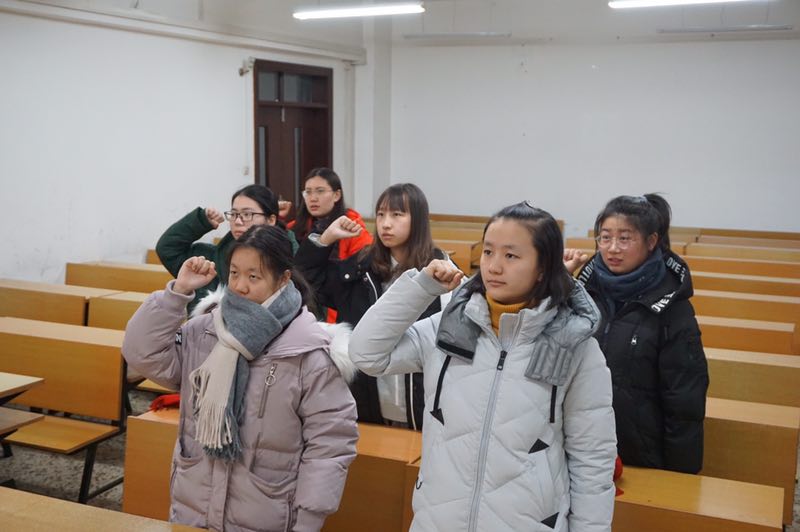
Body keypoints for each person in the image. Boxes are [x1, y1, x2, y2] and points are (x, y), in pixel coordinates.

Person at [349, 202, 617, 531]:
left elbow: (592, 460)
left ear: (543, 267)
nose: (494, 266)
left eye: (511, 255)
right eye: (488, 251)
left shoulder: (572, 344)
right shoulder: (451, 326)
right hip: (439, 520)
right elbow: (366, 353)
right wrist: (420, 288)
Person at [124, 224, 358, 532]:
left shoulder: (308, 351)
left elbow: (329, 445)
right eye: (234, 273)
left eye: (253, 276)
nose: (240, 286)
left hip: (266, 513)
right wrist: (178, 292)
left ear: (283, 278)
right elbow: (142, 353)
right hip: (195, 506)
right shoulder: (206, 330)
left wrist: (307, 522)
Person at [571, 193, 708, 474]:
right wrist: (557, 284)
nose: (612, 248)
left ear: (651, 241)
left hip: (641, 456)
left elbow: (684, 402)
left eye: (625, 239)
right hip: (581, 446)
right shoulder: (582, 293)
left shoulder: (673, 309)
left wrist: (680, 476)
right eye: (605, 238)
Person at [295, 183, 451, 430]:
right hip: (367, 402)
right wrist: (325, 239)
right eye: (380, 214)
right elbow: (305, 282)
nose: (386, 224)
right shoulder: (359, 270)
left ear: (418, 220)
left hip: (422, 407)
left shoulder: (440, 274)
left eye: (397, 214)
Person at [156, 184, 297, 311]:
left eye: (247, 214)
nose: (238, 221)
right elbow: (167, 248)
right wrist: (201, 221)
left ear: (271, 220)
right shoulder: (210, 260)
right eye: (234, 214)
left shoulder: (287, 261)